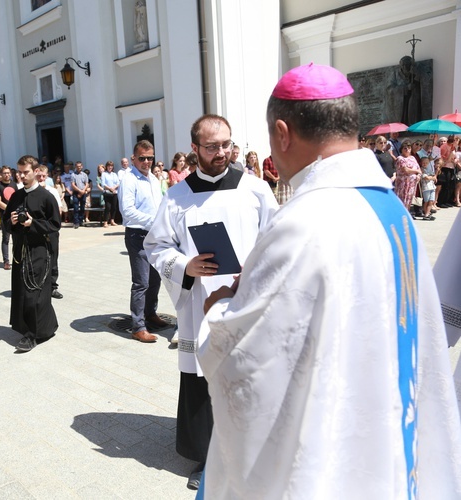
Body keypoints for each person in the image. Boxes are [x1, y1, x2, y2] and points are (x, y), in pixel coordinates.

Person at [195, 63, 461, 499]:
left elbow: (248, 368)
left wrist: (219, 311)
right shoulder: (396, 213)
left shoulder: (302, 223)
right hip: (386, 430)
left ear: (283, 133)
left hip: (332, 454)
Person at [145, 114, 278, 490]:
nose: (221, 153)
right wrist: (185, 265)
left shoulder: (255, 189)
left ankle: (255, 452)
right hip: (199, 303)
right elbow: (155, 245)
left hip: (247, 301)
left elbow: (276, 240)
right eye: (212, 146)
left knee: (248, 377)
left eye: (226, 144)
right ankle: (208, 459)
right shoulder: (177, 196)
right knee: (203, 381)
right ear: (195, 149)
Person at [4, 156, 61, 352]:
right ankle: (43, 326)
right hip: (21, 251)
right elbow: (5, 224)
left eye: (25, 172)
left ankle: (33, 334)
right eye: (18, 172)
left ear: (36, 171)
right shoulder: (16, 197)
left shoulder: (46, 197)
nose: (21, 176)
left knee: (34, 293)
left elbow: (55, 225)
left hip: (39, 252)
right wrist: (12, 221)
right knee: (23, 291)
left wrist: (32, 223)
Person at [117, 140, 165, 343]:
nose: (147, 162)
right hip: (138, 235)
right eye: (143, 158)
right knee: (141, 282)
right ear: (134, 158)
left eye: (150, 158)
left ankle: (150, 313)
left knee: (155, 279)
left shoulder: (153, 178)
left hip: (155, 235)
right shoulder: (129, 179)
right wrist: (153, 220)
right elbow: (127, 211)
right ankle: (138, 326)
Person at [36, 164, 64, 299]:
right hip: (36, 231)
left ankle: (53, 286)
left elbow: (58, 210)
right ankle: (39, 285)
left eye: (43, 176)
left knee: (53, 258)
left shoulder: (52, 191)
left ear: (47, 176)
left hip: (51, 230)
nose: (41, 178)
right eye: (39, 176)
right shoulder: (31, 192)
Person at [0, 166, 16, 270]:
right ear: (1, 175)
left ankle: (17, 259)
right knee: (6, 239)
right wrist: (10, 209)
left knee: (16, 238)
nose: (7, 175)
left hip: (15, 215)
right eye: (5, 173)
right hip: (5, 216)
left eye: (8, 173)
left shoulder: (14, 184)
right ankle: (6, 261)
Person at [394, 139, 422, 215]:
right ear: (401, 149)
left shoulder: (412, 158)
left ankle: (407, 214)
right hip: (402, 184)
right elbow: (405, 170)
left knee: (409, 200)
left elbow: (419, 168)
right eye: (405, 148)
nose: (407, 150)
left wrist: (419, 175)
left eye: (409, 148)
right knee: (401, 200)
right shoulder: (400, 158)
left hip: (412, 184)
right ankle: (400, 215)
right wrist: (416, 171)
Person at [101, 161, 119, 226]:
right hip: (107, 192)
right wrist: (110, 188)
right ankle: (105, 221)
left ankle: (112, 220)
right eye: (109, 166)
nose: (110, 167)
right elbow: (103, 184)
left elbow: (118, 183)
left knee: (114, 207)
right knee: (108, 207)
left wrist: (114, 188)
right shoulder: (104, 174)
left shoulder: (114, 174)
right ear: (106, 166)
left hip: (114, 192)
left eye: (111, 166)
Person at [70, 161, 88, 228]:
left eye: (80, 166)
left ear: (82, 166)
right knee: (76, 208)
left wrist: (83, 191)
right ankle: (76, 222)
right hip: (76, 192)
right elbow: (73, 185)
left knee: (82, 207)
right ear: (75, 167)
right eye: (77, 166)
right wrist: (79, 191)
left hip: (83, 192)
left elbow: (87, 184)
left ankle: (81, 221)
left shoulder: (84, 175)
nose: (79, 168)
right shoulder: (73, 175)